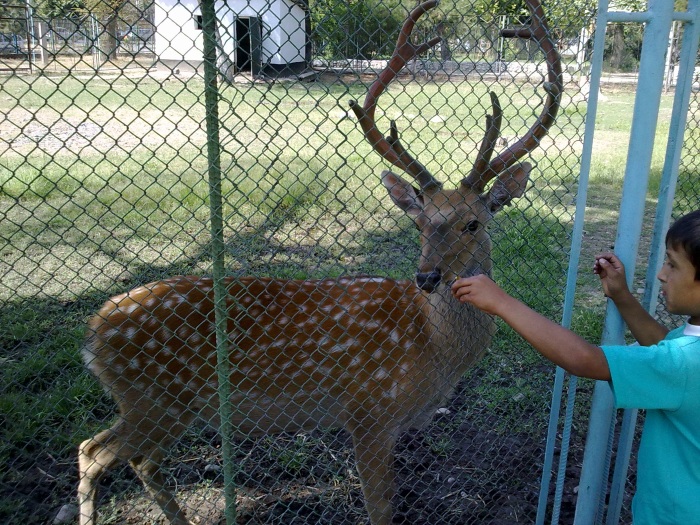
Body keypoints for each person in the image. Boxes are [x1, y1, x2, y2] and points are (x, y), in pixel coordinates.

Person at [451, 210, 700, 524]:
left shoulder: (685, 362)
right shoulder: (688, 348)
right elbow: (663, 345)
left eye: (673, 265)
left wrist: (502, 302)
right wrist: (622, 296)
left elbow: (586, 359)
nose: (662, 274)